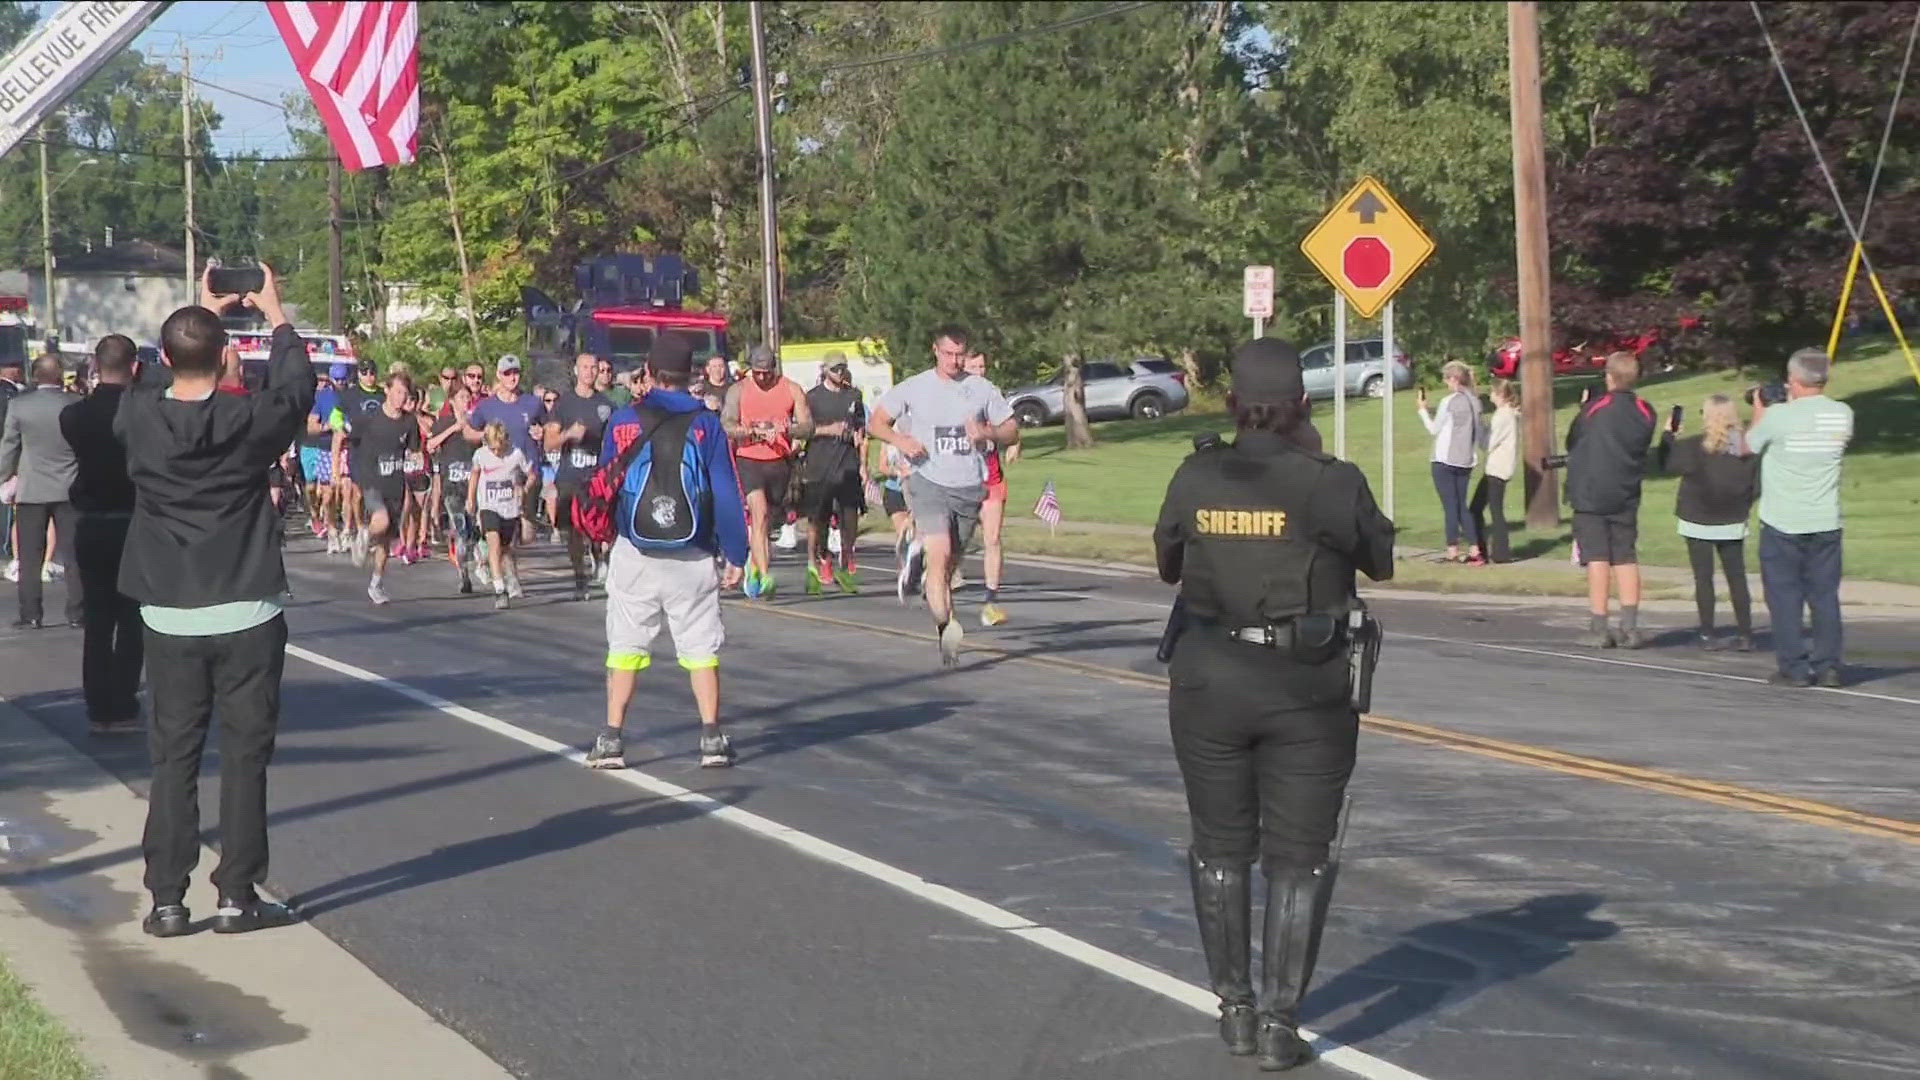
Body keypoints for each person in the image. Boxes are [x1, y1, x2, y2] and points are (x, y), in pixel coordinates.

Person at [1151, 337, 1393, 1073]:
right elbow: (1379, 557)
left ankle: (1235, 1009)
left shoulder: (1196, 474)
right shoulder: (1330, 480)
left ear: (1231, 405)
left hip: (1208, 682)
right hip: (1305, 690)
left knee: (1220, 849)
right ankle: (1283, 1022)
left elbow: (1167, 562)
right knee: (1299, 859)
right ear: (1302, 405)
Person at [119, 264, 312, 937]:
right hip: (246, 607)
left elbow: (139, 377)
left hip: (169, 610)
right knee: (243, 756)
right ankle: (236, 893)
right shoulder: (248, 419)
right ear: (229, 355)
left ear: (169, 357)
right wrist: (276, 313)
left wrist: (198, 313)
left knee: (172, 757)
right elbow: (297, 389)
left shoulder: (139, 419)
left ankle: (167, 900)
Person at [585, 332, 749, 772]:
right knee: (700, 647)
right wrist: (737, 551)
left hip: (635, 553)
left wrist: (603, 534)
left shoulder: (623, 420)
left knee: (625, 645)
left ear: (649, 372)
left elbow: (606, 484)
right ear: (691, 374)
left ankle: (612, 737)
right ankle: (711, 737)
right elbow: (726, 491)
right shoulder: (705, 424)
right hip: (692, 555)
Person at [869, 324, 1017, 666]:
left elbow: (1011, 429)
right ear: (935, 351)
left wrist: (987, 431)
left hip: (969, 487)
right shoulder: (915, 388)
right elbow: (877, 422)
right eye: (948, 354)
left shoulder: (981, 389)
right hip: (928, 482)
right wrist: (901, 441)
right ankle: (945, 627)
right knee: (941, 553)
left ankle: (931, 587)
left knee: (950, 566)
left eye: (959, 355)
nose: (954, 361)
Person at [1748, 348, 1854, 687]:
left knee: (1784, 595)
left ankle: (1793, 666)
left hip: (1783, 520)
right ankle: (1829, 664)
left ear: (1793, 380)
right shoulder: (1842, 413)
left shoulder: (1780, 417)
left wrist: (1760, 411)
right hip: (1825, 519)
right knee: (1824, 595)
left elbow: (1746, 447)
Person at [59, 336, 146, 734]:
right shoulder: (144, 413)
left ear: (95, 364)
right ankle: (124, 702)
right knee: (131, 619)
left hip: (92, 520)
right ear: (134, 366)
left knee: (97, 620)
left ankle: (98, 708)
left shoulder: (75, 416)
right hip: (134, 518)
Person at [1566, 351, 1657, 648]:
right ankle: (1630, 626)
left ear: (1609, 376)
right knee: (1625, 557)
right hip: (1626, 491)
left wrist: (1583, 408)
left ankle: (1599, 625)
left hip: (1592, 492)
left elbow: (1574, 438)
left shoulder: (1596, 408)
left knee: (1597, 558)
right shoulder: (1646, 411)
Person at [1655, 393, 1760, 651]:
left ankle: (1708, 633)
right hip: (1732, 517)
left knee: (1704, 577)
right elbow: (1757, 485)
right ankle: (1746, 633)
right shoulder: (1746, 448)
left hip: (1697, 517)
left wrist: (1668, 435)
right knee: (1736, 577)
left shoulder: (1693, 447)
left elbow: (1665, 464)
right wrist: (1743, 504)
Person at [0, 352, 83, 629]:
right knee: (73, 554)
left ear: (35, 376)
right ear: (60, 376)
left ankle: (31, 612)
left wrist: (4, 477)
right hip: (70, 487)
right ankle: (77, 612)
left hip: (32, 488)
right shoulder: (77, 404)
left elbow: (9, 447)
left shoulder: (21, 407)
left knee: (29, 555)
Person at [722, 344, 812, 598]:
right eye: (757, 373)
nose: (762, 377)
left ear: (774, 368)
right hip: (749, 459)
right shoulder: (738, 390)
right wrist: (752, 432)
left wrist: (786, 430)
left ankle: (754, 565)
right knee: (758, 515)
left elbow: (808, 427)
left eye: (766, 373)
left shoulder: (791, 389)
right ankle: (765, 575)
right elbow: (726, 425)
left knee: (768, 522)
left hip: (779, 462)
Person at [545, 352, 615, 600]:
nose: (589, 371)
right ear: (576, 370)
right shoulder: (563, 404)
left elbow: (614, 440)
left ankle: (599, 556)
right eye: (584, 367)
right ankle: (579, 577)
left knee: (600, 527)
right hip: (570, 476)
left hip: (596, 476)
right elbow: (549, 443)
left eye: (593, 367)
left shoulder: (606, 405)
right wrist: (568, 435)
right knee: (574, 531)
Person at [349, 371, 421, 605]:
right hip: (372, 480)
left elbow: (414, 451)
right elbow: (347, 436)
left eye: (405, 394)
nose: (401, 398)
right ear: (387, 391)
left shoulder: (409, 422)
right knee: (381, 520)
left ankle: (376, 583)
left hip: (395, 483)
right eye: (397, 392)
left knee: (385, 541)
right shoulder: (370, 418)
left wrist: (416, 462)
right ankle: (363, 536)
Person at [800, 351, 868, 595]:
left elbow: (861, 428)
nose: (839, 373)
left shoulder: (854, 395)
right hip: (820, 464)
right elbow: (803, 430)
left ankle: (847, 557)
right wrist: (829, 429)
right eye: (835, 369)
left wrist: (862, 458)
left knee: (850, 515)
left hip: (847, 463)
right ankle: (822, 556)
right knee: (819, 519)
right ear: (825, 370)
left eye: (842, 369)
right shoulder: (812, 397)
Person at [963, 350, 1021, 626]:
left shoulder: (992, 394)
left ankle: (991, 601)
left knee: (993, 539)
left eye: (983, 366)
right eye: (975, 366)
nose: (980, 371)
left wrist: (1014, 444)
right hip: (960, 480)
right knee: (955, 540)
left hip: (992, 479)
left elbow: (1010, 426)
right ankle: (932, 571)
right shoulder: (954, 395)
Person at [466, 355, 547, 546]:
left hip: (527, 471)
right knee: (501, 531)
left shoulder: (532, 403)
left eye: (516, 373)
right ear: (499, 375)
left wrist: (542, 432)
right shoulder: (487, 406)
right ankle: (501, 568)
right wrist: (485, 436)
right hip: (499, 476)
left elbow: (549, 427)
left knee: (527, 534)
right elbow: (468, 432)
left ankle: (494, 556)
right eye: (507, 373)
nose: (512, 377)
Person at [1415, 360, 1485, 564]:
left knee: (1450, 506)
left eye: (1446, 379)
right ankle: (1474, 549)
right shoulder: (1475, 400)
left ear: (1454, 379)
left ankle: (1452, 549)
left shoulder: (1450, 401)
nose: (1445, 383)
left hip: (1445, 458)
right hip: (1466, 459)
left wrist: (1422, 410)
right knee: (1461, 505)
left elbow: (1434, 429)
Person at [468, 419, 530, 609]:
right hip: (489, 506)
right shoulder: (480, 455)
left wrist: (523, 489)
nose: (496, 452)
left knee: (505, 549)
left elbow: (530, 474)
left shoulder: (516, 454)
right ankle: (500, 590)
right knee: (494, 545)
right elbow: (475, 475)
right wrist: (470, 499)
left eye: (499, 448)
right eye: (493, 448)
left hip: (509, 508)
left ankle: (488, 563)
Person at [428, 382, 481, 593]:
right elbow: (431, 445)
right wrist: (453, 429)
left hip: (472, 484)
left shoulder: (476, 423)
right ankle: (464, 576)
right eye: (461, 397)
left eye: (468, 397)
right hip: (451, 485)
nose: (465, 401)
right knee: (460, 529)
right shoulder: (444, 422)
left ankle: (476, 561)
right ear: (451, 401)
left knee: (473, 530)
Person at [333, 358, 384, 558]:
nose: (369, 376)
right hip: (358, 448)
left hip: (379, 449)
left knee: (377, 492)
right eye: (365, 372)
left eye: (372, 372)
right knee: (358, 492)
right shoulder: (350, 395)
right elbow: (335, 415)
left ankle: (373, 527)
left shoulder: (382, 395)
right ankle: (361, 526)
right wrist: (342, 426)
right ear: (359, 374)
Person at [1468, 378, 1519, 564]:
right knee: (1487, 509)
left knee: (1484, 510)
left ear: (1500, 394)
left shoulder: (1503, 416)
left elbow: (1487, 444)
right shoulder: (1506, 414)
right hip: (1498, 468)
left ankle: (1498, 552)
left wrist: (1479, 427)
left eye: (1492, 392)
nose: (1490, 396)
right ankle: (1497, 551)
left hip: (1497, 469)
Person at [302, 362, 348, 552]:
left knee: (348, 492)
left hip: (347, 449)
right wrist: (326, 427)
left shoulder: (351, 396)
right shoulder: (321, 398)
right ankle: (331, 532)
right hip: (325, 449)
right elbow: (311, 426)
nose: (340, 383)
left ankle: (347, 530)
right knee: (328, 496)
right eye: (337, 379)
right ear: (331, 379)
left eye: (343, 379)